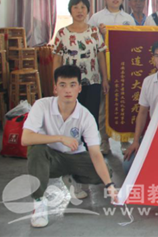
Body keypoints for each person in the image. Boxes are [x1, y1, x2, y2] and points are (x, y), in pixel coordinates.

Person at [22, 65, 117, 228]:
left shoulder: (86, 116)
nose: (68, 90)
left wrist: (110, 186)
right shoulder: (41, 105)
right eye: (62, 85)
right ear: (55, 88)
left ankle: (71, 178)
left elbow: (95, 153)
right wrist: (60, 138)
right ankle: (39, 203)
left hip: (74, 157)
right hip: (50, 158)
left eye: (72, 85)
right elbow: (26, 138)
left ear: (79, 88)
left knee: (105, 173)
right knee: (36, 148)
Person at [88, 0, 135, 154]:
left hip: (124, 67)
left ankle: (124, 141)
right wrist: (99, 34)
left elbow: (134, 42)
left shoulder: (128, 19)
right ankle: (104, 142)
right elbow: (89, 41)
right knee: (103, 105)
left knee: (124, 102)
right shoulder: (96, 18)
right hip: (103, 67)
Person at [52, 0, 108, 127]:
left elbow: (101, 56)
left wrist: (105, 79)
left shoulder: (94, 31)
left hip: (93, 81)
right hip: (69, 83)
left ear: (88, 10)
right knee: (71, 116)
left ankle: (90, 140)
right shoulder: (62, 33)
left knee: (91, 116)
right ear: (70, 10)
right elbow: (57, 60)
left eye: (83, 7)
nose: (79, 11)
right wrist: (55, 82)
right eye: (75, 7)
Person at [123, 39, 158, 174]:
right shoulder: (148, 81)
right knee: (128, 167)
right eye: (157, 56)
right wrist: (136, 141)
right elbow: (142, 113)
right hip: (154, 133)